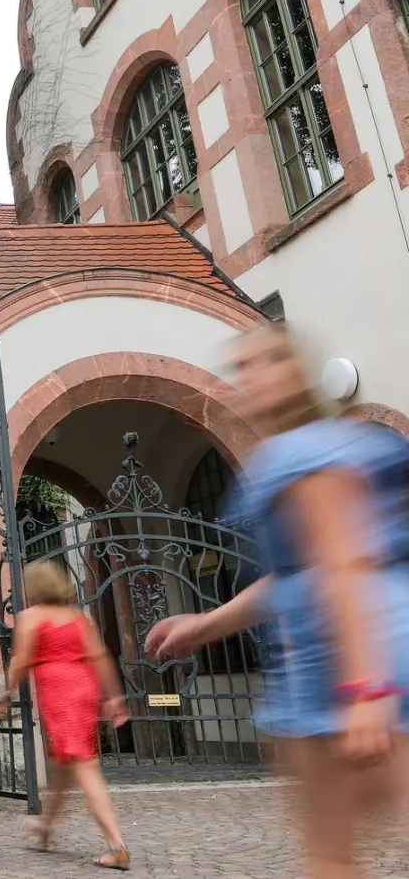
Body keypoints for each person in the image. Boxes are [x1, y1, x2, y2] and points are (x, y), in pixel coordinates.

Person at [147, 323, 409, 879]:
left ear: (295, 372)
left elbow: (346, 566)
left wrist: (369, 689)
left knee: (330, 857)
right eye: (241, 368)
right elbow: (299, 574)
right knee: (329, 856)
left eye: (263, 362)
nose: (249, 378)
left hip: (351, 662)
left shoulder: (302, 455)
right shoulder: (304, 453)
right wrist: (203, 627)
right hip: (335, 661)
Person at [0, 562, 130, 869]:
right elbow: (101, 657)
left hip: (59, 695)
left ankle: (117, 845)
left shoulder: (30, 617)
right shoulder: (78, 618)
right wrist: (113, 698)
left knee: (85, 769)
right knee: (65, 768)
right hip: (84, 690)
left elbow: (22, 660)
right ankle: (44, 829)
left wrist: (7, 693)